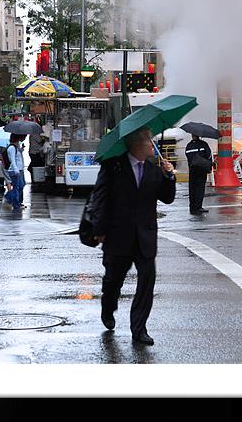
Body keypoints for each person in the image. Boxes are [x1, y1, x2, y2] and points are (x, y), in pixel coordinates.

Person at [90, 127, 176, 346]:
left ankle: (139, 329)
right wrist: (99, 229)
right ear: (138, 145)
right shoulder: (113, 166)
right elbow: (100, 197)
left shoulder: (154, 169)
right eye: (149, 142)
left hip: (145, 237)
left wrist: (169, 176)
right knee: (112, 281)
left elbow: (167, 198)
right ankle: (108, 308)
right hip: (118, 235)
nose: (153, 146)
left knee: (147, 281)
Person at [185, 134, 212, 215]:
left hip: (192, 169)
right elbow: (209, 155)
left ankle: (192, 207)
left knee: (192, 188)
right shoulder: (204, 144)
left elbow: (187, 155)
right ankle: (198, 207)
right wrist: (209, 166)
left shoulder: (188, 145)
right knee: (200, 189)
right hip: (201, 169)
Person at [4, 134, 26, 211]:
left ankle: (14, 200)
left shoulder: (16, 147)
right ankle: (15, 203)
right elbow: (13, 160)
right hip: (14, 170)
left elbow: (18, 158)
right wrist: (16, 169)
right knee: (17, 187)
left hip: (19, 169)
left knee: (21, 185)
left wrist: (21, 150)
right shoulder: (12, 148)